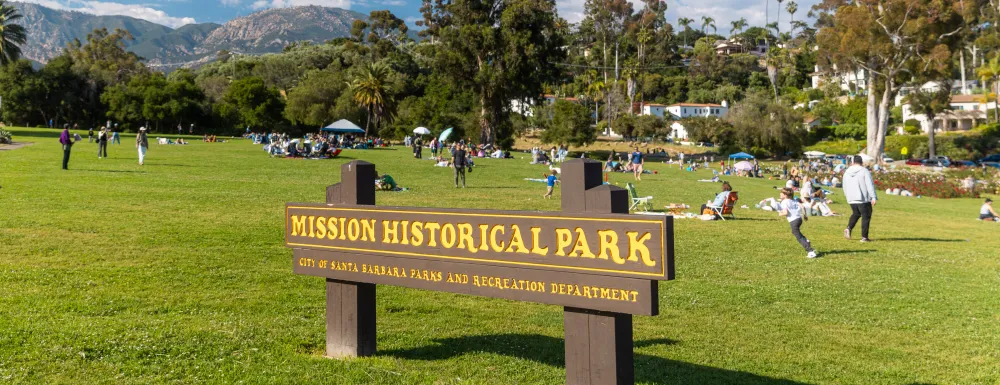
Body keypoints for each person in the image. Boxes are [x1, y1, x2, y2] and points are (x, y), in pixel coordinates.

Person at [843, 155, 877, 242]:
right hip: (863, 198)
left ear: (852, 162)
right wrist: (873, 197)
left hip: (851, 198)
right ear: (861, 162)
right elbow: (869, 184)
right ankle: (864, 237)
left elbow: (844, 185)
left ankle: (849, 228)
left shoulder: (847, 172)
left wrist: (847, 196)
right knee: (866, 216)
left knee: (856, 213)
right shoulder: (864, 171)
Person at [779, 188, 818, 258]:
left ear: (785, 195)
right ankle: (806, 241)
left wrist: (780, 213)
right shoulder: (793, 200)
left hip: (793, 221)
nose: (780, 194)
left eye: (781, 193)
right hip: (799, 219)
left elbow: (786, 212)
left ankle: (810, 251)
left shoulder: (784, 202)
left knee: (798, 236)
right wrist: (805, 215)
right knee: (795, 232)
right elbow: (802, 206)